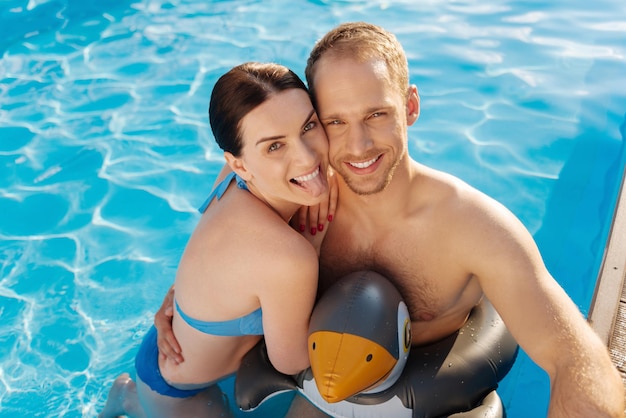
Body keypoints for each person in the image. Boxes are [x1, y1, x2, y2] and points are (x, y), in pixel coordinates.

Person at [156, 23, 625, 417]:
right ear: (312, 122)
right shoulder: (298, 187)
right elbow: (226, 216)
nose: (358, 146)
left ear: (411, 107)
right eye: (335, 121)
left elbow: (572, 354)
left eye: (377, 114)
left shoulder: (473, 228)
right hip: (322, 398)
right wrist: (183, 305)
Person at [99, 62, 335, 418]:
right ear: (239, 163)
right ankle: (134, 401)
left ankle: (129, 397)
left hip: (166, 345)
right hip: (180, 391)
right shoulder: (288, 257)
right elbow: (292, 360)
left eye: (309, 126)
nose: (306, 156)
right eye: (275, 147)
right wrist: (314, 254)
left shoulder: (232, 179)